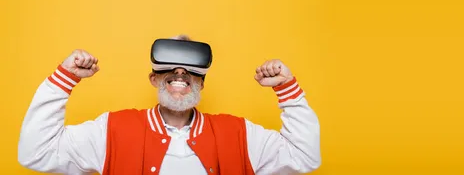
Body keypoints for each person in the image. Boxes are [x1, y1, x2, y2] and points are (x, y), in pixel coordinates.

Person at [17, 35, 321, 175]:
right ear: (153, 78)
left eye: (190, 70)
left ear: (202, 82)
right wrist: (64, 78)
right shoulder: (112, 129)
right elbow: (37, 153)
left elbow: (304, 157)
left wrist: (286, 89)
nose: (180, 73)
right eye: (169, 68)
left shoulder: (238, 133)